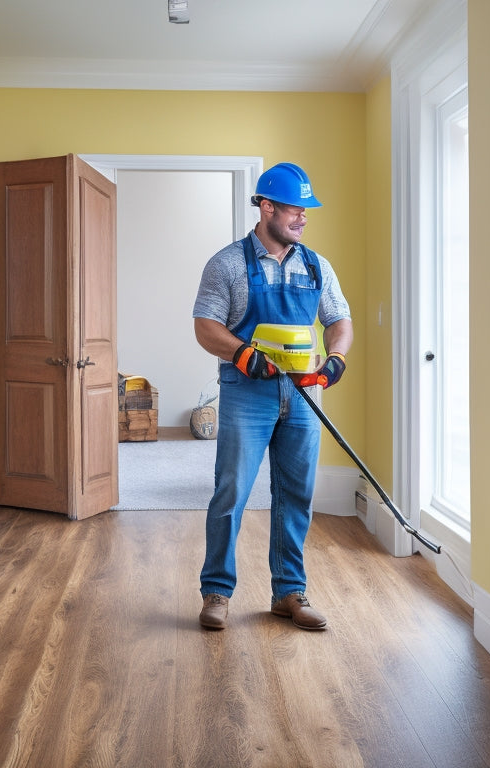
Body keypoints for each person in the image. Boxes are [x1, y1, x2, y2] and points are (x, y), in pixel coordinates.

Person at [192, 162, 353, 631]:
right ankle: (216, 592)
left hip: (303, 395)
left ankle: (289, 593)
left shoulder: (315, 265)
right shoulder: (226, 264)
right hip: (248, 393)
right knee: (231, 492)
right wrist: (243, 354)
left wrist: (337, 356)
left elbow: (339, 321)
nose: (303, 219)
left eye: (306, 212)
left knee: (296, 493)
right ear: (266, 207)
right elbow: (205, 326)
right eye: (295, 211)